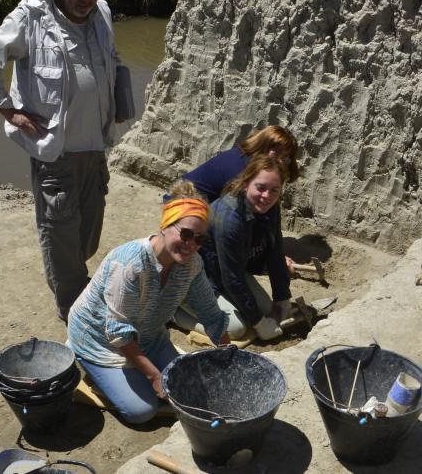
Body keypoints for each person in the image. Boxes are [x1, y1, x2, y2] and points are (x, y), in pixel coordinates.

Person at [0, 0, 124, 322]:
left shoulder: (101, 13)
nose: (86, 2)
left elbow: (113, 60)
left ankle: (74, 279)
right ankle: (72, 306)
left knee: (87, 232)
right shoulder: (31, 16)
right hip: (54, 151)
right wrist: (8, 110)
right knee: (59, 232)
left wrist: (117, 101)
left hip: (95, 147)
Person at [67, 181, 231, 424]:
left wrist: (229, 355)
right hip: (100, 340)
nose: (190, 245)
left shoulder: (192, 263)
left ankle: (133, 375)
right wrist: (154, 376)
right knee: (142, 411)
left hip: (150, 336)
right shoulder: (130, 264)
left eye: (200, 239)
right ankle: (90, 367)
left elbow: (210, 312)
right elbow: (119, 332)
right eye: (185, 234)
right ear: (165, 226)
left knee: (192, 389)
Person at [174, 155, 293, 341]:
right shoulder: (229, 218)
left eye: (274, 190)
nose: (266, 196)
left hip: (226, 270)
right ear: (246, 183)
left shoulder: (271, 206)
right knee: (236, 329)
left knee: (269, 310)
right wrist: (259, 323)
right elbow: (232, 278)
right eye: (260, 188)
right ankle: (173, 312)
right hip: (197, 278)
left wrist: (282, 297)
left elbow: (275, 249)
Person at [182, 125, 300, 203]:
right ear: (263, 146)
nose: (280, 160)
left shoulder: (259, 167)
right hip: (184, 204)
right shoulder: (241, 167)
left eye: (285, 157)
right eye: (277, 152)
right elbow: (234, 211)